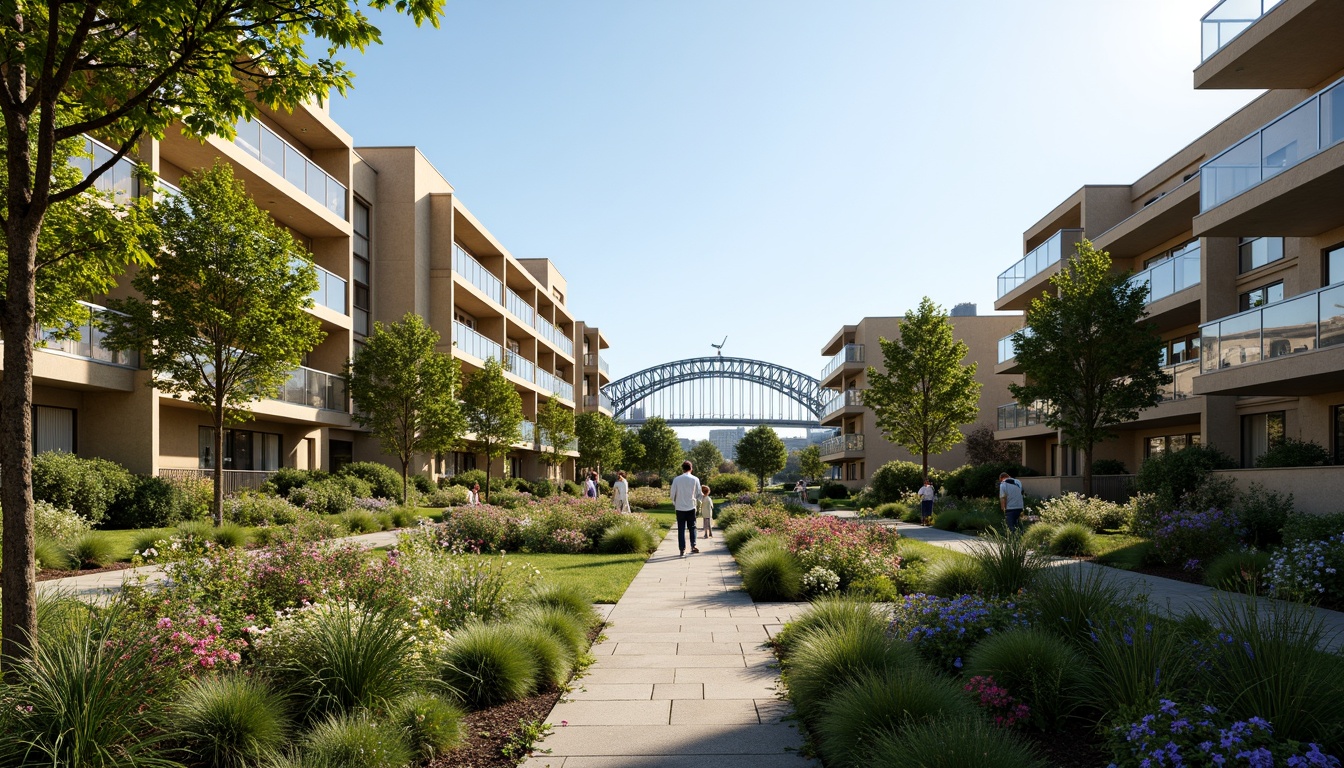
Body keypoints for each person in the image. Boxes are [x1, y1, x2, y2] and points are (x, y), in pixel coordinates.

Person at [669, 460, 704, 557]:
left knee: (681, 529)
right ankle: (693, 545)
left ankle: (682, 549)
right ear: (691, 468)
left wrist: (674, 502)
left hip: (679, 507)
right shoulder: (695, 479)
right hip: (691, 506)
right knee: (692, 527)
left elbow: (672, 494)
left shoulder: (677, 479)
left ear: (683, 469)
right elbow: (698, 493)